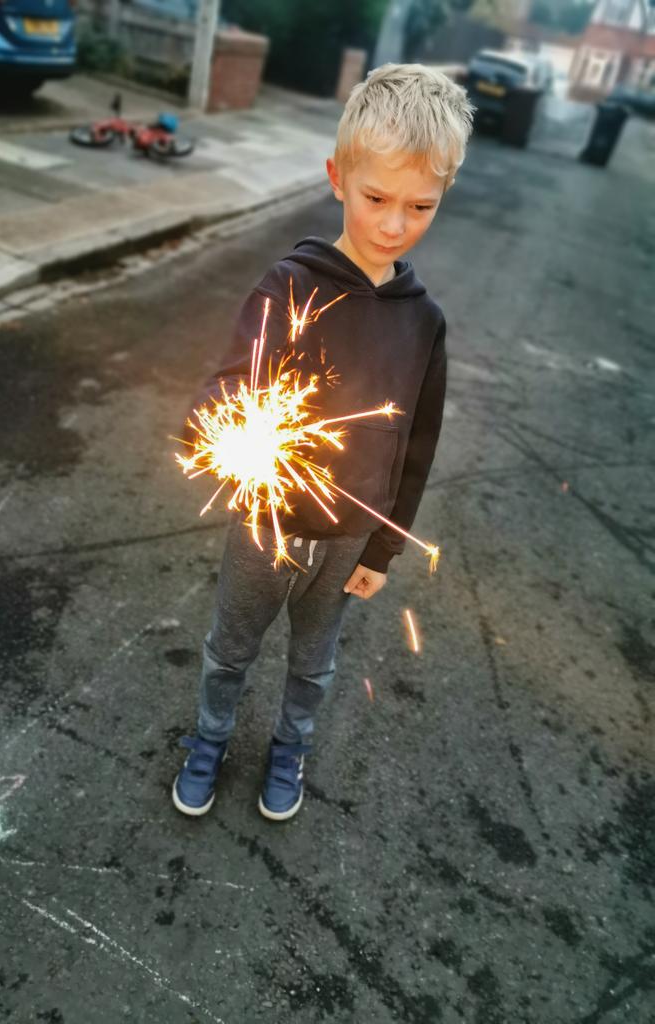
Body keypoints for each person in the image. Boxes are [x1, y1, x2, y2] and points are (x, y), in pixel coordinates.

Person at [173, 64, 474, 821]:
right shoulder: (289, 285)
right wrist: (217, 429)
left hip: (350, 539)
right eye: (376, 198)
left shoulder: (424, 323)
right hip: (265, 524)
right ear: (338, 177)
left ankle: (289, 751)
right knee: (230, 649)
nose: (394, 223)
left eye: (420, 206)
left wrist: (383, 550)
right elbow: (233, 382)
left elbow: (417, 442)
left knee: (314, 665)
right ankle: (209, 740)